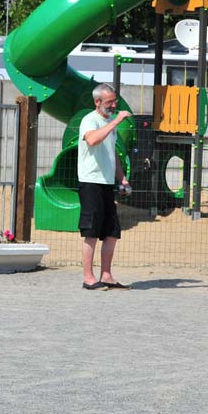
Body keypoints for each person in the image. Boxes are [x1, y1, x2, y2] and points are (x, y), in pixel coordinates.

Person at [77, 83, 132, 291]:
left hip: (107, 182)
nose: (113, 105)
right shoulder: (89, 120)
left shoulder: (110, 123)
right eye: (109, 102)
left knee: (112, 231)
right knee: (91, 231)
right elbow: (92, 140)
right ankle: (88, 278)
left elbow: (113, 153)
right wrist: (116, 120)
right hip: (91, 182)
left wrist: (122, 178)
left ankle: (106, 275)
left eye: (114, 101)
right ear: (97, 102)